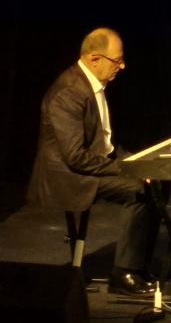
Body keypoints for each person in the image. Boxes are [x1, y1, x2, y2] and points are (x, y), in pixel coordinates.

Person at [28, 27, 161, 295]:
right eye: (117, 61)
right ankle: (123, 274)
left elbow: (104, 144)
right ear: (94, 59)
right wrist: (126, 169)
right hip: (68, 176)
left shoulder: (93, 86)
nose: (122, 66)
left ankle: (139, 265)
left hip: (89, 165)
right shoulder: (69, 92)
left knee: (157, 179)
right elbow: (75, 157)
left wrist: (137, 163)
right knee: (137, 191)